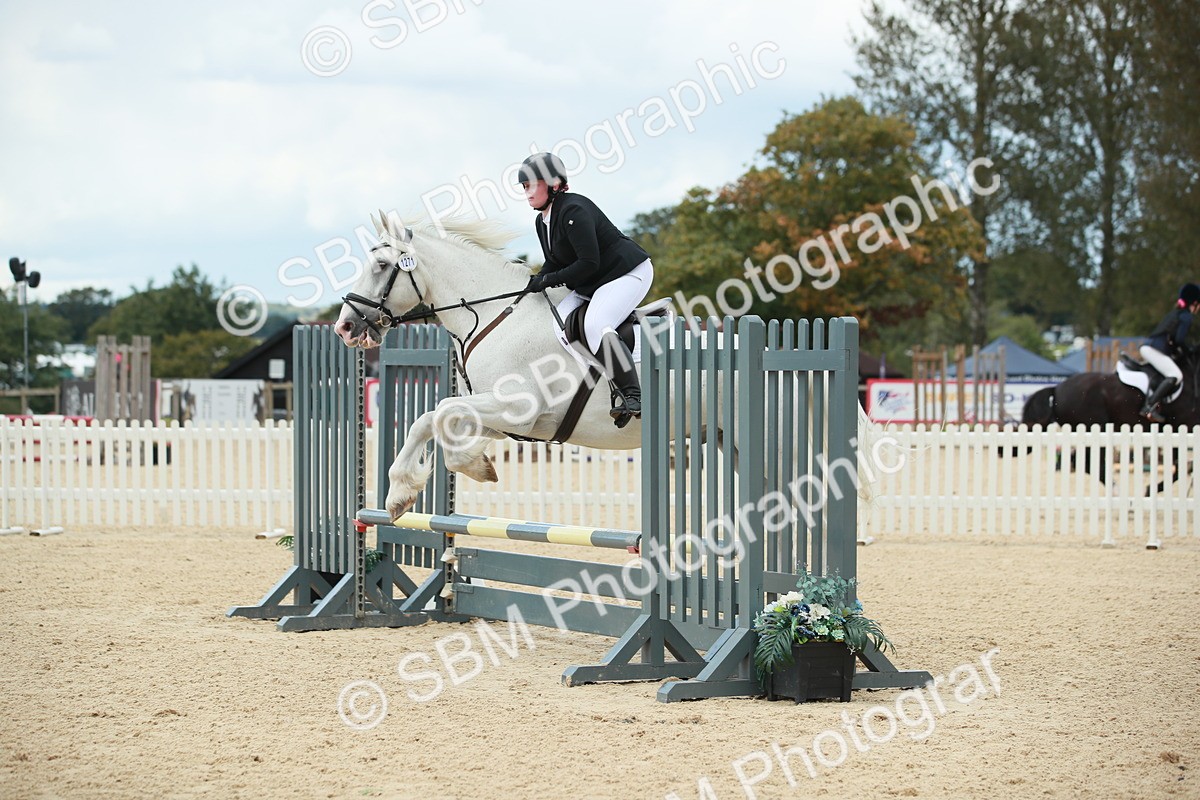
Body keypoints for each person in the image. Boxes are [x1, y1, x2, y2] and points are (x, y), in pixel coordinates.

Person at [518, 152, 653, 424]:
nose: (527, 192)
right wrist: (536, 280)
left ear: (554, 184)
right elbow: (555, 259)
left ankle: (632, 394)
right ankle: (599, 383)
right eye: (524, 187)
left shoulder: (574, 210)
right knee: (558, 324)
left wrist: (549, 279)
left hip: (626, 273)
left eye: (532, 184)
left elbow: (588, 263)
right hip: (594, 283)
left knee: (595, 324)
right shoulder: (542, 220)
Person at [1139, 282, 1200, 422]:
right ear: (1195, 303)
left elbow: (1172, 338)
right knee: (1176, 375)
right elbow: (1179, 340)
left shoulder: (1176, 312)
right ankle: (1149, 406)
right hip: (1154, 350)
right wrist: (1189, 349)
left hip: (1150, 347)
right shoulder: (1187, 316)